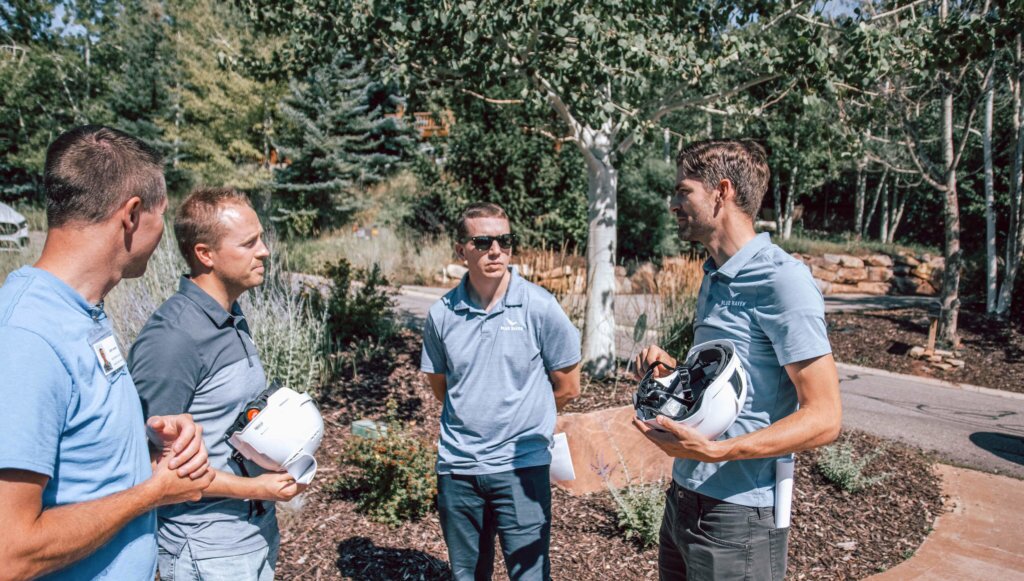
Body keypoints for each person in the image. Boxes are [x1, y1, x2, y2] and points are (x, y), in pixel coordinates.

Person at [0, 125, 213, 581]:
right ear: (132, 215)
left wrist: (149, 446)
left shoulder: (83, 312)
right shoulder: (26, 339)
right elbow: (9, 553)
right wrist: (153, 492)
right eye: (162, 216)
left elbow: (74, 456)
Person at [633, 140, 842, 581]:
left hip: (738, 519)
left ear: (720, 191)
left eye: (682, 191)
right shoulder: (714, 275)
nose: (673, 204)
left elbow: (825, 418)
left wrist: (718, 452)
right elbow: (730, 383)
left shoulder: (783, 281)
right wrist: (674, 375)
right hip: (683, 500)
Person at [129, 188, 302, 580]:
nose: (264, 251)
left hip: (252, 532)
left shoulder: (230, 315)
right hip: (206, 547)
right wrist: (260, 489)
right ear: (205, 254)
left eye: (261, 238)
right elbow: (153, 466)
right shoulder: (173, 338)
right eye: (249, 243)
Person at [420, 202, 582, 581]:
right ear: (461, 251)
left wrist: (524, 412)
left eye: (505, 241)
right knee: (467, 575)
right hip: (458, 470)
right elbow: (443, 387)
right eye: (483, 241)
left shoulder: (540, 307)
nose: (496, 250)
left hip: (521, 466)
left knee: (529, 575)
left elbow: (568, 386)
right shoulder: (441, 314)